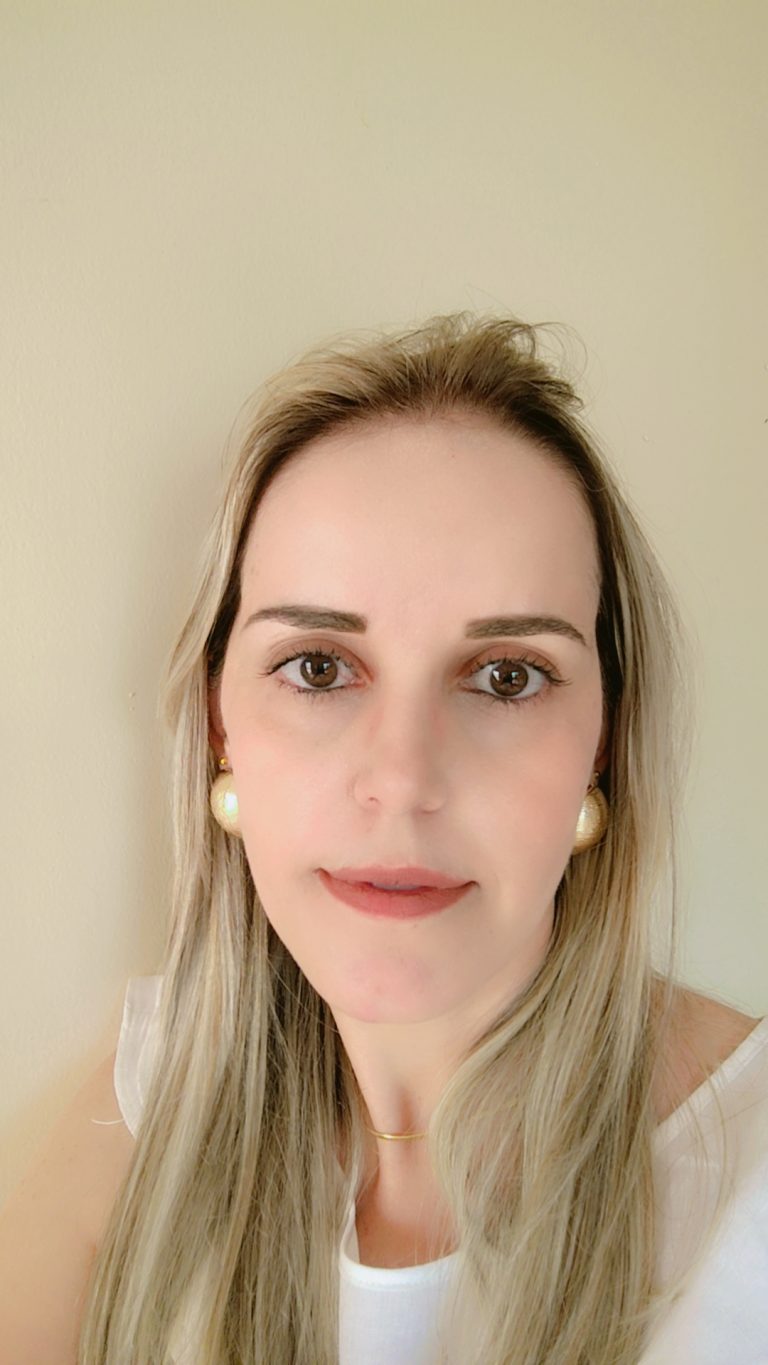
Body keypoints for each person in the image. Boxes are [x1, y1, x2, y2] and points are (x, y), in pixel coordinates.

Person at [1, 312, 766, 1364]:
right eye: (318, 668)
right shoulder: (154, 1091)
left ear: (603, 743)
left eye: (507, 677)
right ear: (222, 728)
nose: (402, 780)